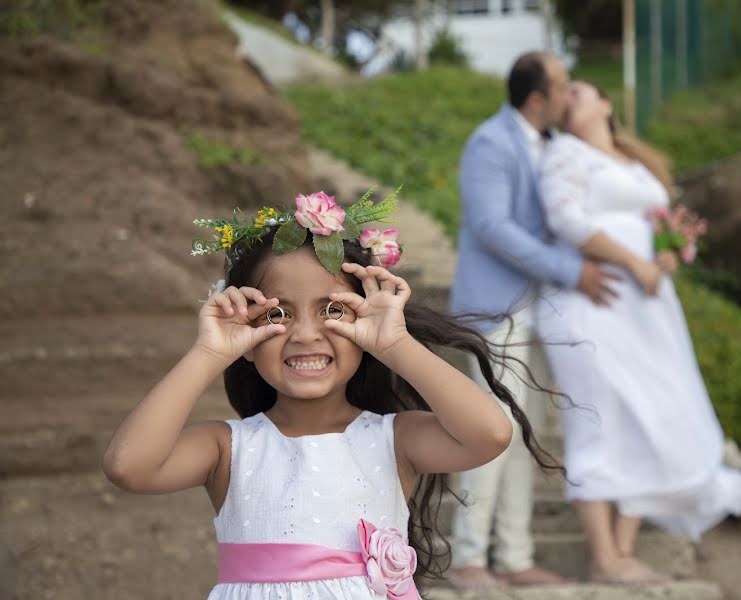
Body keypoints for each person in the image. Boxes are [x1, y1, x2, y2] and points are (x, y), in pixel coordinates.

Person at [102, 191, 557, 599]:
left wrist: (395, 343)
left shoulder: (393, 440)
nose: (305, 334)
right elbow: (128, 466)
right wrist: (208, 351)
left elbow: (491, 434)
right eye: (278, 312)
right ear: (246, 329)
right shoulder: (227, 448)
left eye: (333, 310)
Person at [536, 81, 741, 584]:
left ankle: (623, 548)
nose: (569, 95)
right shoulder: (564, 153)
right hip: (594, 301)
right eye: (562, 92)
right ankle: (601, 555)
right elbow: (564, 218)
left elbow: (660, 224)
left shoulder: (637, 162)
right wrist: (635, 261)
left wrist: (667, 252)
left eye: (579, 88)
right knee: (596, 420)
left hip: (648, 310)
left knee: (649, 417)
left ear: (605, 104)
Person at [447, 53, 619, 589]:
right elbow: (493, 226)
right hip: (496, 310)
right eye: (564, 85)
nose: (571, 95)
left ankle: (515, 556)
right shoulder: (490, 143)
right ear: (538, 97)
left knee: (528, 436)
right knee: (491, 430)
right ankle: (467, 558)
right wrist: (572, 270)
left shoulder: (549, 146)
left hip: (541, 312)